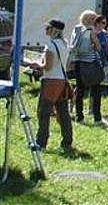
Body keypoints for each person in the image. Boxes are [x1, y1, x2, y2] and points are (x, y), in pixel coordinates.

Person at [30, 19, 73, 152]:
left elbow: (47, 67)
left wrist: (36, 65)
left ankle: (41, 142)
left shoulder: (50, 45)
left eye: (48, 27)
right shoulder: (64, 44)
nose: (46, 30)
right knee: (63, 112)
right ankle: (67, 141)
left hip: (50, 81)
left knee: (43, 112)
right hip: (62, 81)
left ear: (53, 29)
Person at [69, 9, 108, 126]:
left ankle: (79, 116)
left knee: (80, 90)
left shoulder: (76, 29)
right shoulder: (90, 31)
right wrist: (96, 42)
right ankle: (97, 118)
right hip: (90, 63)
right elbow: (98, 47)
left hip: (78, 62)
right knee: (96, 90)